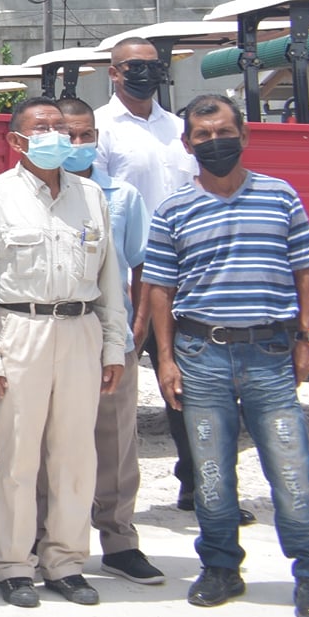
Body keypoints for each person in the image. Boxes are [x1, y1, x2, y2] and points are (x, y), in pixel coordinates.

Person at [147, 95, 309, 617]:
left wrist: (307, 338)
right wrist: (165, 359)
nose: (214, 143)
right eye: (202, 137)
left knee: (292, 468)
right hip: (201, 353)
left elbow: (306, 270)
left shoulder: (280, 197)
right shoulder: (173, 209)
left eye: (223, 132)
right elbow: (160, 288)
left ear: (245, 135)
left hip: (271, 354)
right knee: (210, 472)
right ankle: (221, 567)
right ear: (187, 145)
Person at [0, 96, 128, 609]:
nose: (57, 137)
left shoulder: (91, 196)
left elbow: (109, 279)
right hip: (20, 331)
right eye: (42, 128)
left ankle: (66, 562)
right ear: (16, 140)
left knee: (76, 456)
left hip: (80, 331)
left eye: (63, 128)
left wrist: (114, 344)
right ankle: (12, 564)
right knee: (17, 458)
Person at [56, 96, 163, 586]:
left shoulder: (121, 197)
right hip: (55, 332)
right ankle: (49, 539)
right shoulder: (34, 194)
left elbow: (143, 265)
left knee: (117, 442)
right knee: (50, 439)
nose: (78, 145)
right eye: (69, 136)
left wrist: (137, 328)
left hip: (111, 336)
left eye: (86, 136)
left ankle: (119, 540)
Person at [95, 37, 203, 512]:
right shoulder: (96, 130)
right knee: (111, 389)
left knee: (187, 382)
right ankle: (106, 497)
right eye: (132, 66)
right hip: (125, 273)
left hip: (185, 275)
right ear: (114, 72)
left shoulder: (181, 130)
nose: (143, 73)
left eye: (151, 66)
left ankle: (198, 483)